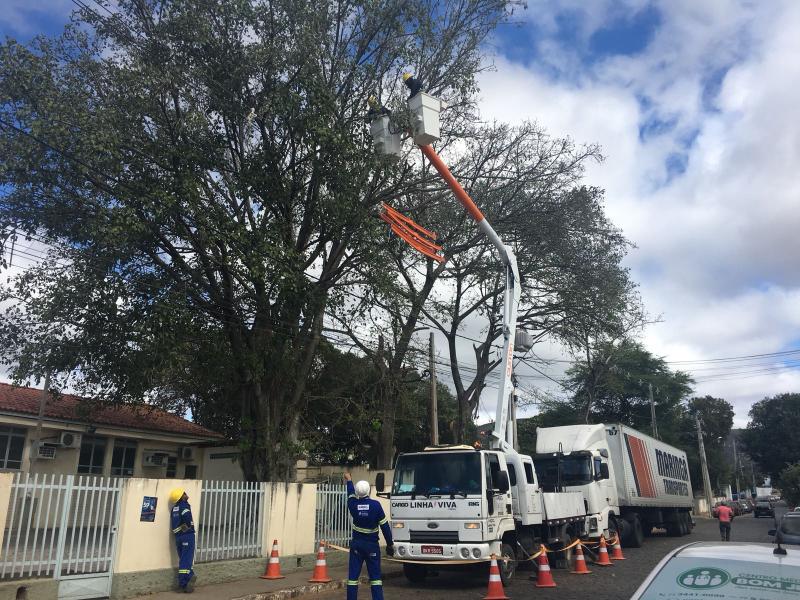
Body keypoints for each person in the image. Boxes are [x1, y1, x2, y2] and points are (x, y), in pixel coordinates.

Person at [344, 473, 394, 600]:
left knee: (353, 579)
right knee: (376, 579)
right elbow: (385, 526)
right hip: (372, 546)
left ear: (357, 492)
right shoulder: (376, 505)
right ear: (369, 491)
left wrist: (349, 480)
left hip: (357, 546)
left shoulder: (353, 505)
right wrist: (389, 544)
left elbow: (350, 494)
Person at [169, 488, 197, 593]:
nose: (186, 494)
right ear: (182, 496)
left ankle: (190, 576)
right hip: (187, 536)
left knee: (183, 559)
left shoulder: (174, 508)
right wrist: (188, 527)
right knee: (186, 561)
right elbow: (187, 519)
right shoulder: (184, 506)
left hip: (178, 537)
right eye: (184, 493)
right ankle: (183, 584)